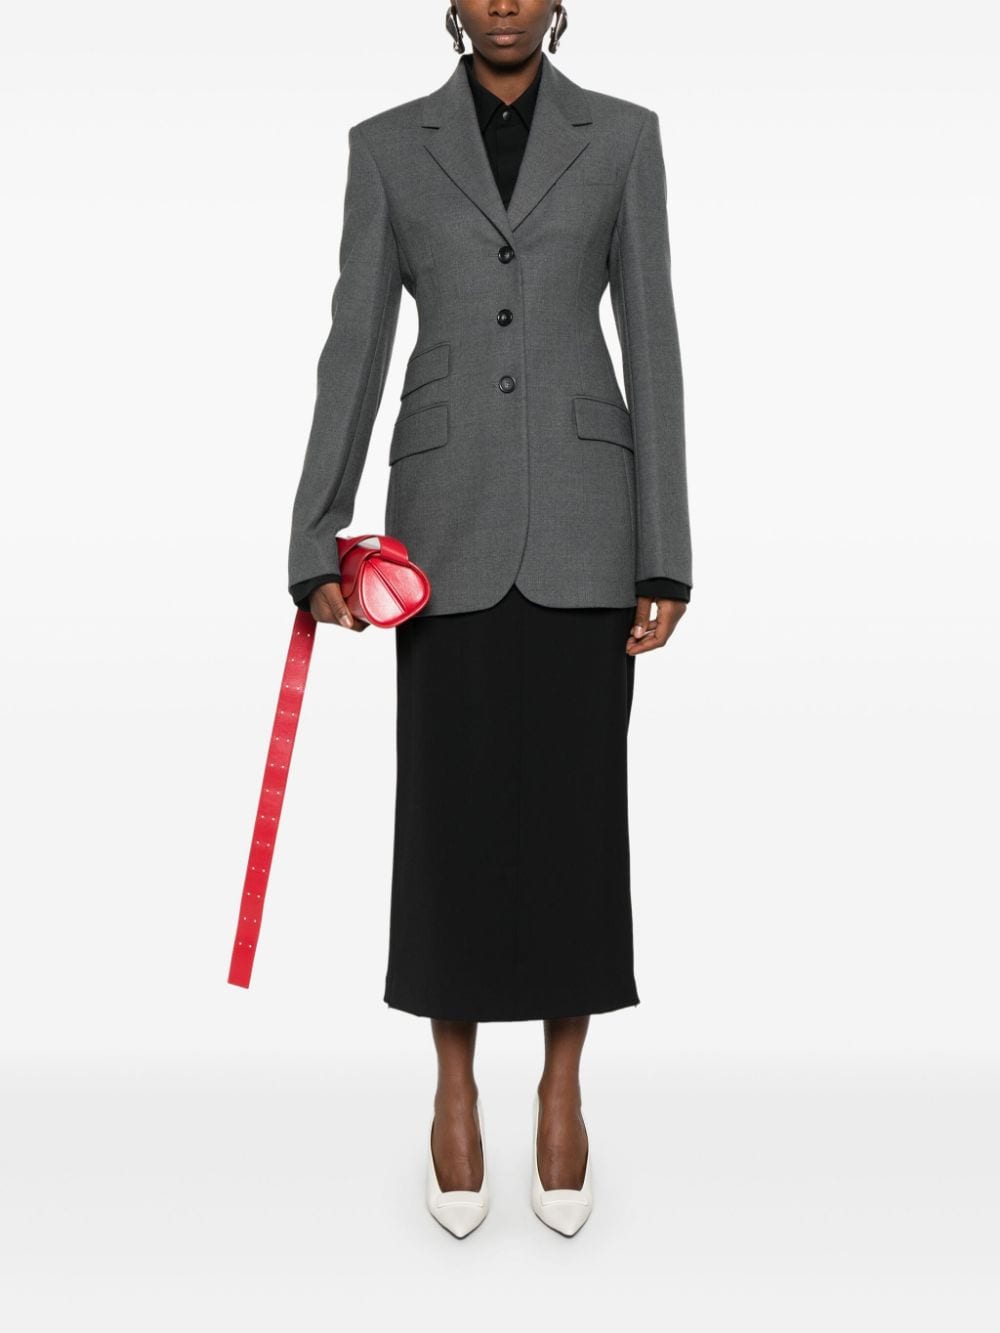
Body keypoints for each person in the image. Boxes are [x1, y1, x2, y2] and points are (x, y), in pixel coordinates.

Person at [286, 1, 692, 1238]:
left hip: (585, 519)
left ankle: (563, 1086)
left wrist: (664, 552)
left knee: (577, 816)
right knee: (449, 816)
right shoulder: (386, 146)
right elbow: (355, 342)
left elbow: (653, 340)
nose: (503, 1)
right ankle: (453, 1087)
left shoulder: (623, 136)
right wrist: (315, 536)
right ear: (451, 5)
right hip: (444, 529)